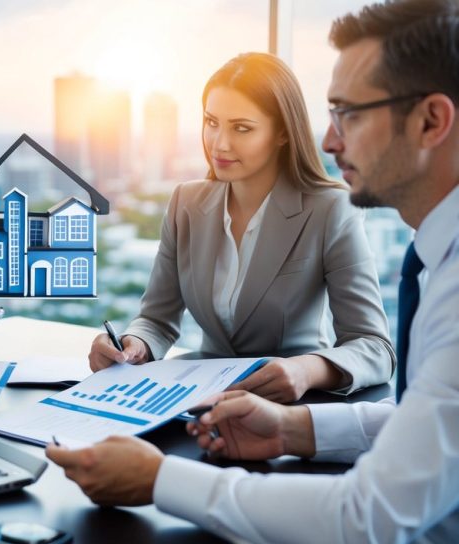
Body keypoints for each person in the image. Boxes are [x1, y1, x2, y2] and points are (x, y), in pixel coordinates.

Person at [49, 1, 459, 544]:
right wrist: (140, 345)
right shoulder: (189, 203)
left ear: (431, 122)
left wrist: (161, 479)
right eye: (211, 121)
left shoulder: (339, 216)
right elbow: (425, 421)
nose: (331, 139)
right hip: (209, 418)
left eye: (349, 114)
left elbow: (362, 518)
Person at [89, 52, 394, 402]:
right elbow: (156, 320)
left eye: (241, 128)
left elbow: (374, 347)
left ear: (282, 133)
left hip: (291, 405)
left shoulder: (331, 208)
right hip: (198, 398)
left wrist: (305, 370)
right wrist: (132, 346)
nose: (219, 143)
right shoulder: (185, 204)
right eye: (211, 122)